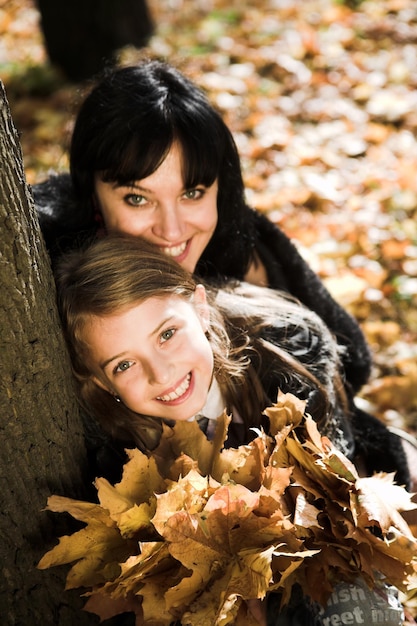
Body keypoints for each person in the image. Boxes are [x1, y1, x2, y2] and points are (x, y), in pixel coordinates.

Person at [33, 58, 411, 487]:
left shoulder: (242, 254)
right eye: (138, 199)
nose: (171, 230)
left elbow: (349, 361)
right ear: (92, 196)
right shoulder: (71, 280)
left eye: (192, 192)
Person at [53, 234, 407, 626]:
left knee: (351, 606)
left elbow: (330, 489)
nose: (162, 373)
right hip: (232, 555)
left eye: (167, 334)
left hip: (330, 524)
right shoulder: (116, 451)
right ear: (103, 383)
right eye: (124, 365)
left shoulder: (288, 346)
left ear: (200, 310)